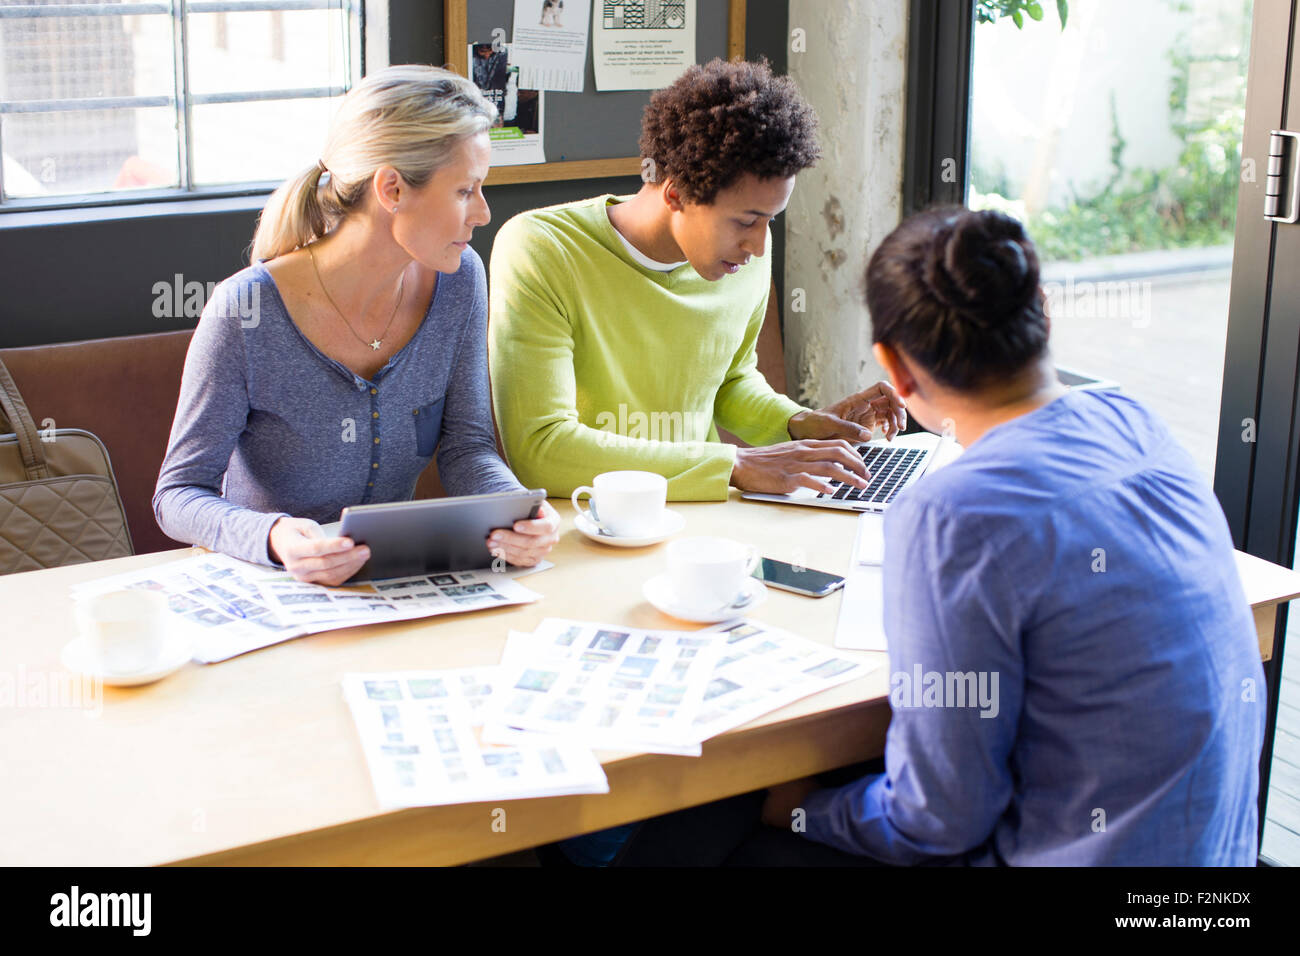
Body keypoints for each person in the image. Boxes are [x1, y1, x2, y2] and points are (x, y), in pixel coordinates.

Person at [615, 207, 1266, 866]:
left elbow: (936, 822)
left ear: (894, 369)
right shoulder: (1133, 419)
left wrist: (804, 809)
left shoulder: (952, 515)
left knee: (709, 832)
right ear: (1042, 310)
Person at [154, 65, 559, 585]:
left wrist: (514, 512)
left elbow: (466, 446)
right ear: (391, 188)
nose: (482, 212)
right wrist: (275, 537)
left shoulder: (460, 282)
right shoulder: (245, 311)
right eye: (465, 191)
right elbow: (178, 495)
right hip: (270, 587)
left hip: (389, 586)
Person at [487, 58, 908, 507]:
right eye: (746, 221)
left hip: (699, 518)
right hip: (587, 521)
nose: (760, 246)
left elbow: (728, 382)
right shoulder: (542, 249)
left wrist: (800, 424)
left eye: (770, 220)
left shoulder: (740, 262)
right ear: (675, 194)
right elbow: (542, 449)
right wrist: (734, 466)